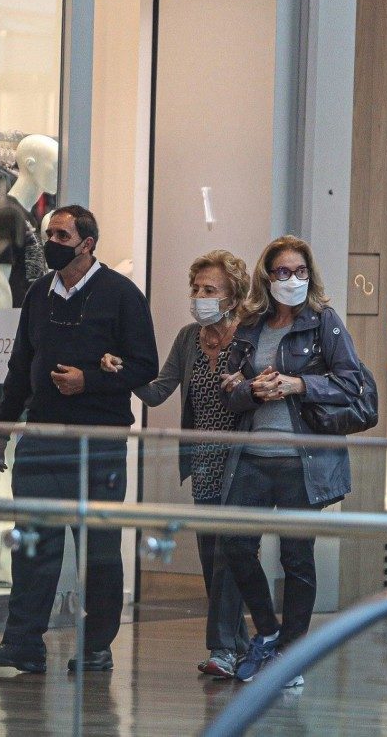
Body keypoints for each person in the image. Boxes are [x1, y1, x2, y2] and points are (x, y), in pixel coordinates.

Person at [0, 205, 159, 674]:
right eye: (48, 233)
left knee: (97, 547)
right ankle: (23, 643)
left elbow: (144, 367)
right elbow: (19, 368)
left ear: (87, 243)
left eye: (61, 234)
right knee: (34, 543)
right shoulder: (38, 294)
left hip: (98, 442)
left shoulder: (121, 295)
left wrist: (90, 380)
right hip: (41, 439)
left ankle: (96, 645)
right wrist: (1, 431)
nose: (51, 241)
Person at [219, 235, 365, 687]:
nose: (292, 280)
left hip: (302, 459)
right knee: (237, 545)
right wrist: (252, 389)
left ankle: (291, 654)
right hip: (252, 455)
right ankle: (268, 631)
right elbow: (231, 391)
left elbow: (352, 384)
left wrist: (298, 385)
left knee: (296, 558)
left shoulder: (325, 323)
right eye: (283, 272)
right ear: (268, 276)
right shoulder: (250, 326)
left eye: (300, 272)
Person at [99, 249, 252, 678]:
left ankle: (222, 648)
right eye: (196, 288)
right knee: (213, 555)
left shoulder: (250, 335)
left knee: (231, 552)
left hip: (242, 461)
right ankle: (238, 646)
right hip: (203, 460)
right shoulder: (189, 338)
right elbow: (158, 390)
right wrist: (120, 370)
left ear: (233, 295)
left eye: (210, 289)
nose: (200, 296)